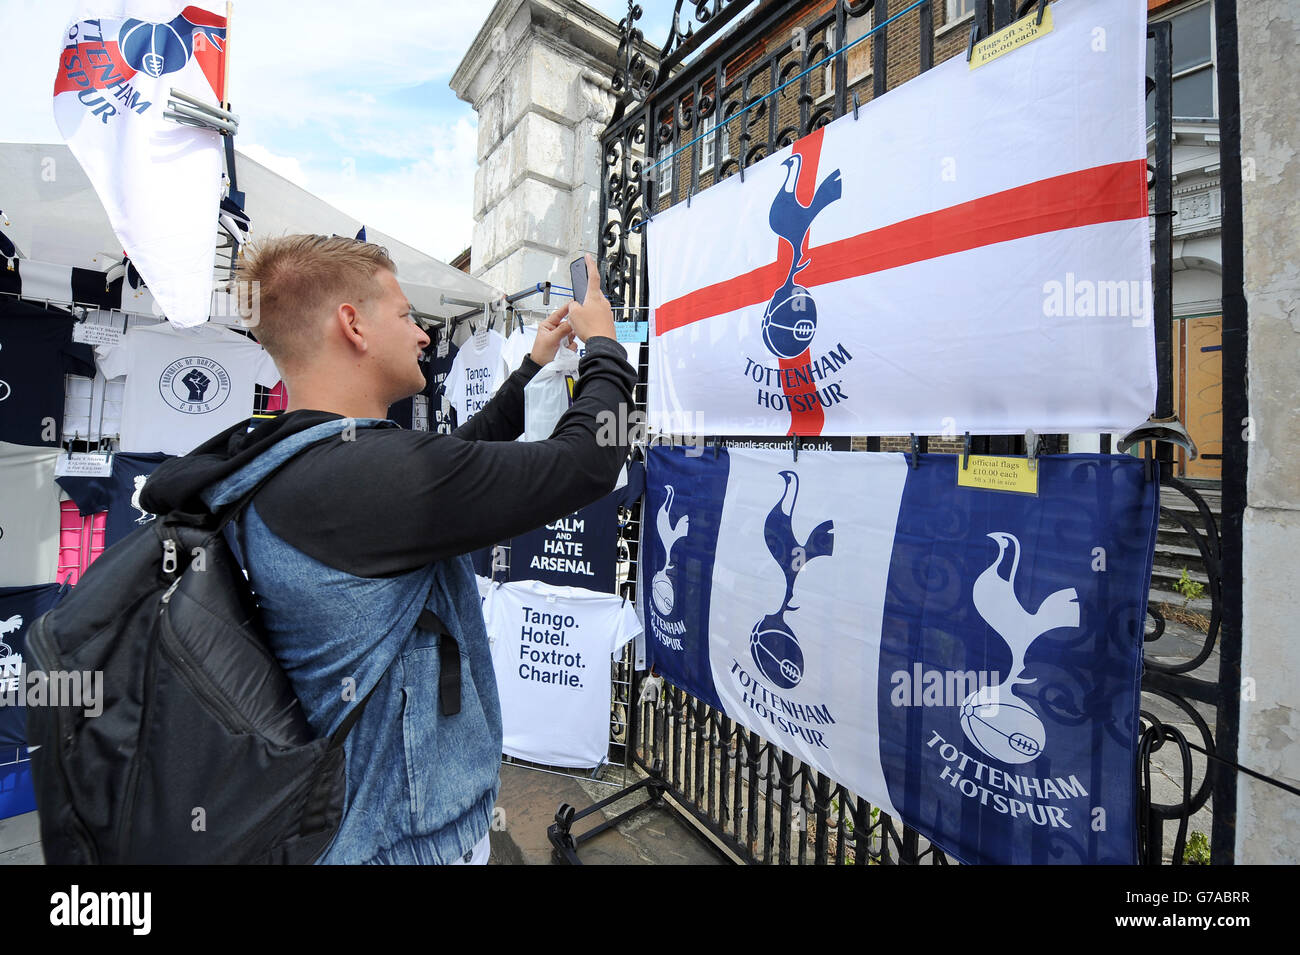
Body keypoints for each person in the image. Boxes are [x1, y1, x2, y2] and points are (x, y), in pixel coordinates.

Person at [139, 236, 636, 864]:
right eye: (404, 315)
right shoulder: (362, 475)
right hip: (401, 842)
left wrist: (532, 367)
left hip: (358, 825)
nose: (424, 335)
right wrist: (606, 349)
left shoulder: (305, 455)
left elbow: (455, 462)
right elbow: (584, 465)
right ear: (352, 324)